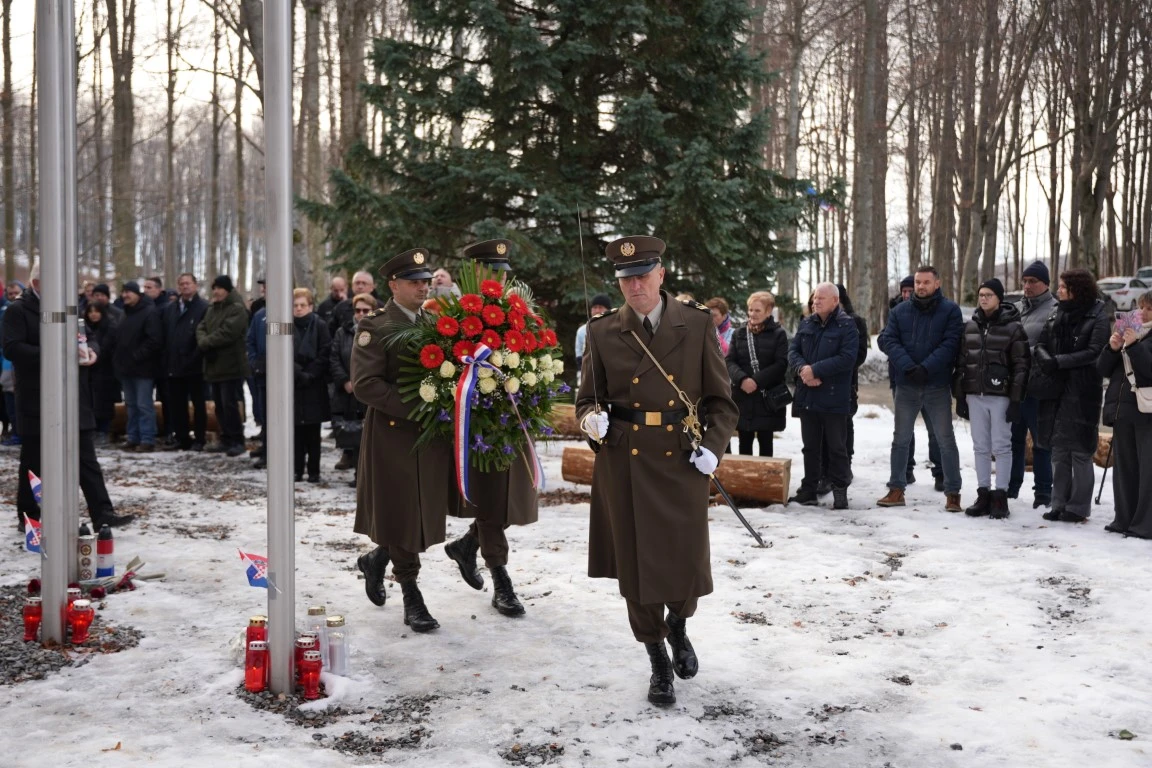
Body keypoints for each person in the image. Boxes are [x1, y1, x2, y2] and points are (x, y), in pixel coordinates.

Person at [575, 235, 738, 707]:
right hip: (623, 461)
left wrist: (712, 447)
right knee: (636, 566)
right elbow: (587, 398)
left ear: (661, 274)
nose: (635, 285)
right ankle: (656, 659)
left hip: (681, 457)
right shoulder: (604, 332)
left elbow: (721, 403)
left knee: (683, 562)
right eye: (626, 278)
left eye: (643, 275)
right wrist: (591, 420)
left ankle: (679, 626)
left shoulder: (697, 324)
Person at [352, 248, 456, 632]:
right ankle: (411, 593)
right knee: (399, 511)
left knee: (417, 512)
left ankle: (377, 559)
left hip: (430, 437)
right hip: (392, 436)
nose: (421, 287)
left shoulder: (433, 321)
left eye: (425, 280)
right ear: (393, 285)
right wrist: (418, 407)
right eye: (413, 281)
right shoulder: (375, 326)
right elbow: (365, 386)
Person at [442, 240, 538, 620]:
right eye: (489, 270)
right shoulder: (454, 312)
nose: (497, 277)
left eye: (501, 270)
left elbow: (534, 351)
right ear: (473, 272)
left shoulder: (518, 309)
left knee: (511, 502)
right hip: (476, 424)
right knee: (489, 502)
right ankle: (501, 581)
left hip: (511, 421)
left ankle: (467, 547)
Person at [1, 264, 133, 531]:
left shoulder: (69, 308)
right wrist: (55, 353)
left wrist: (91, 352)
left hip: (73, 396)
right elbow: (13, 348)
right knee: (34, 461)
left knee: (86, 459)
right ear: (37, 284)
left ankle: (103, 513)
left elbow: (88, 336)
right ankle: (29, 517)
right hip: (37, 397)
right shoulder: (17, 310)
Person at [877, 265, 965, 511]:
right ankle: (896, 489)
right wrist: (907, 367)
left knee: (945, 439)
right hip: (906, 385)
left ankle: (953, 493)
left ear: (937, 283)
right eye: (917, 282)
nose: (921, 287)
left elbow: (950, 344)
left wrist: (926, 368)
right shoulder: (900, 311)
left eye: (926, 282)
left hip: (936, 385)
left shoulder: (950, 310)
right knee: (900, 439)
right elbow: (889, 340)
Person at [1032, 269, 1110, 523]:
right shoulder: (1057, 311)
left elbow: (1095, 351)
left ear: (1076, 289)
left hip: (1083, 389)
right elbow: (1042, 341)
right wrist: (1046, 360)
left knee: (1079, 451)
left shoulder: (1097, 314)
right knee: (1058, 450)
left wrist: (1060, 362)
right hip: (1055, 387)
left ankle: (1077, 508)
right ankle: (1058, 503)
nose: (1059, 290)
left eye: (1063, 287)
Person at [953, 278, 1030, 519]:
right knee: (980, 446)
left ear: (999, 298)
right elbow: (963, 362)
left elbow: (1021, 365)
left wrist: (1016, 400)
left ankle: (1001, 496)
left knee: (1002, 446)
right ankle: (983, 492)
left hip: (1001, 396)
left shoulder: (1014, 328)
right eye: (981, 294)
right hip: (976, 395)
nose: (984, 298)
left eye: (989, 294)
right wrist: (961, 395)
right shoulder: (971, 326)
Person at [786, 283, 860, 510]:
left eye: (821, 298)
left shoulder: (848, 326)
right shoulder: (807, 323)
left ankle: (840, 490)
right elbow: (793, 351)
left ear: (835, 301)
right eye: (815, 298)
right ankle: (808, 489)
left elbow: (848, 358)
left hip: (834, 397)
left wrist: (816, 370)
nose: (815, 301)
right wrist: (803, 371)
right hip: (808, 396)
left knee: (836, 447)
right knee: (810, 447)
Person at [1098, 290, 1152, 537]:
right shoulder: (1133, 332)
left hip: (1147, 412)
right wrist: (1112, 348)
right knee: (1125, 469)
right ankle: (1124, 519)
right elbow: (1103, 370)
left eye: (1149, 309)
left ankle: (1145, 523)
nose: (1142, 313)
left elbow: (1149, 370)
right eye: (1141, 308)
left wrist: (1133, 347)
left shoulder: (1140, 338)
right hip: (1123, 410)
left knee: (1147, 469)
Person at [1009, 260, 1057, 508]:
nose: (1027, 286)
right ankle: (1011, 489)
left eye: (1033, 282)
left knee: (1041, 443)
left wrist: (1019, 352)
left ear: (1046, 284)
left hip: (1039, 388)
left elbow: (1050, 347)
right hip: (1014, 387)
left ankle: (1043, 494)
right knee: (1013, 441)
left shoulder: (1055, 310)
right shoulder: (1015, 308)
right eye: (1025, 281)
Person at [725, 290, 787, 456]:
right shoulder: (739, 333)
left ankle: (765, 482)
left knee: (766, 443)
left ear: (768, 311)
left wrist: (756, 381)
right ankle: (745, 481)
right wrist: (743, 379)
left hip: (766, 398)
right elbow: (729, 361)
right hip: (743, 396)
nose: (752, 314)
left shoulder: (779, 334)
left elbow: (781, 364)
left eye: (757, 310)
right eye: (750, 310)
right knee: (744, 442)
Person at [196, 275, 249, 457]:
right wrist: (203, 340)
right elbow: (201, 326)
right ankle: (225, 438)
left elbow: (229, 332)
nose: (216, 291)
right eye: (214, 288)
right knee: (219, 405)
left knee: (230, 404)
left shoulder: (237, 308)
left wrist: (206, 342)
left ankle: (237, 440)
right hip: (214, 365)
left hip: (231, 365)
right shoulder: (212, 308)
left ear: (227, 290)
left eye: (219, 288)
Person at [330, 292, 377, 482]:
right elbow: (334, 358)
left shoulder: (379, 331)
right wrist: (345, 381)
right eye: (357, 310)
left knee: (371, 435)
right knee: (355, 435)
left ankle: (369, 477)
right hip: (349, 392)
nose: (361, 314)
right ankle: (358, 474)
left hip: (371, 391)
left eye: (366, 310)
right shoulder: (343, 332)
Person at [112, 281, 162, 453]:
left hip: (143, 369)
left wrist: (136, 356)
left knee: (144, 405)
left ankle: (147, 439)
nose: (125, 295)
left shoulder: (149, 312)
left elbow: (154, 340)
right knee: (131, 405)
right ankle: (133, 437)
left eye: (129, 292)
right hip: (126, 369)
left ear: (137, 295)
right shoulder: (125, 314)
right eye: (123, 292)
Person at [162, 273, 209, 451]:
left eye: (188, 283)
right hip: (174, 364)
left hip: (195, 365)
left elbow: (203, 336)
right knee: (177, 404)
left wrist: (194, 357)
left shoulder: (204, 307)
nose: (185, 287)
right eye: (181, 284)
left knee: (198, 404)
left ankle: (199, 438)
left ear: (195, 285)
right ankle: (182, 437)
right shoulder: (170, 309)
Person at [291, 288, 332, 482]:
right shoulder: (287, 326)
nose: (298, 309)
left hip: (314, 384)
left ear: (310, 306)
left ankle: (314, 471)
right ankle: (297, 469)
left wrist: (310, 374)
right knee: (296, 430)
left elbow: (325, 352)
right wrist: (298, 372)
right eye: (295, 305)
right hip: (292, 383)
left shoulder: (320, 325)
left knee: (313, 432)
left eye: (302, 305)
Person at [84, 302, 120, 445]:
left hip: (105, 371)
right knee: (90, 402)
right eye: (90, 311)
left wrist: (93, 355)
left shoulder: (110, 327)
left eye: (96, 311)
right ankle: (94, 430)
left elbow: (106, 348)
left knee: (104, 403)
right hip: (89, 371)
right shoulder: (85, 328)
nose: (93, 314)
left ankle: (103, 431)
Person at [574, 293, 613, 387]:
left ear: (608, 310)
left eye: (600, 307)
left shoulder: (615, 328)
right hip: (587, 373)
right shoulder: (582, 331)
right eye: (594, 307)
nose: (597, 310)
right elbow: (579, 353)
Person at [246, 305, 268, 469]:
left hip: (287, 376)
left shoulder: (290, 310)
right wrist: (255, 362)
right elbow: (250, 340)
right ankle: (267, 449)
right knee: (265, 413)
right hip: (262, 373)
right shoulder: (260, 315)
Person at [329, 270, 381, 335]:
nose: (360, 286)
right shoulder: (341, 307)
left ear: (372, 287)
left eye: (364, 283)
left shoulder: (381, 307)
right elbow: (331, 332)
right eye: (357, 283)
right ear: (352, 286)